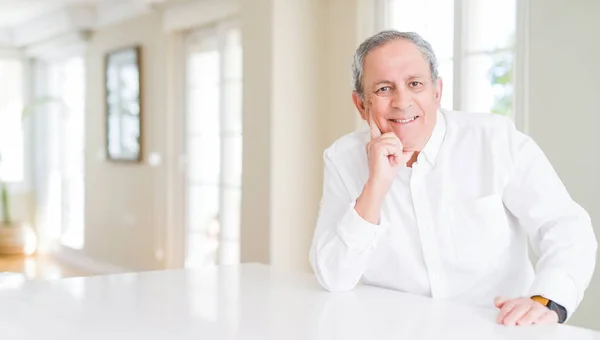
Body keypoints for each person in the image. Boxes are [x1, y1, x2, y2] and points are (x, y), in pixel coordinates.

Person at [309, 30, 597, 326]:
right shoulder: (342, 159)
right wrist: (375, 186)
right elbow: (334, 276)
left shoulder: (496, 140)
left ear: (437, 92)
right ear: (361, 105)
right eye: (384, 89)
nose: (401, 101)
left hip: (500, 328)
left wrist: (547, 299)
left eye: (415, 84)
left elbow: (565, 227)